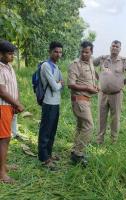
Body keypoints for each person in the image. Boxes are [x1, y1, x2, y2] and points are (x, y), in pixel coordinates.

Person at [93, 40, 126, 144]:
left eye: (117, 47)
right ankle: (99, 141)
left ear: (120, 49)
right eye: (113, 46)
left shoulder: (124, 61)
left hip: (116, 94)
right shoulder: (103, 58)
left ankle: (113, 141)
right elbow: (90, 64)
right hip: (102, 94)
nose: (114, 48)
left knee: (115, 118)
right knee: (101, 117)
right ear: (110, 47)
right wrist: (96, 76)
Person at [68, 41, 98, 167]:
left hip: (86, 99)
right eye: (82, 51)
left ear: (91, 52)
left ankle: (75, 151)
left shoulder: (91, 62)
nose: (84, 54)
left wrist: (94, 86)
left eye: (87, 52)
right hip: (79, 99)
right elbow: (71, 84)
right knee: (89, 126)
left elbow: (90, 77)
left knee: (80, 127)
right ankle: (78, 154)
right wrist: (88, 88)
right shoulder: (75, 64)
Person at [0, 40, 24, 183]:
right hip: (2, 106)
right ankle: (2, 173)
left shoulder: (9, 67)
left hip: (9, 106)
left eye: (13, 54)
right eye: (9, 54)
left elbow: (13, 87)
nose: (12, 56)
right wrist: (16, 103)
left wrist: (16, 103)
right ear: (1, 54)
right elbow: (2, 92)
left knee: (5, 138)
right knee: (3, 139)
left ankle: (3, 165)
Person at [38, 41, 64, 170]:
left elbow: (61, 83)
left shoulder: (56, 66)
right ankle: (43, 157)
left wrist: (59, 83)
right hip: (48, 102)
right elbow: (55, 86)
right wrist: (59, 83)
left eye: (60, 52)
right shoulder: (46, 66)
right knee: (46, 130)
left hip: (56, 103)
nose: (58, 54)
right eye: (56, 51)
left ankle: (49, 153)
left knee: (52, 130)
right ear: (50, 52)